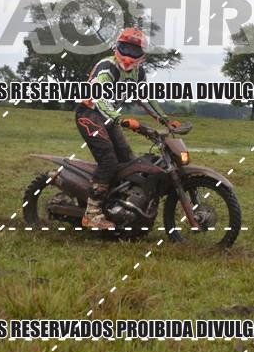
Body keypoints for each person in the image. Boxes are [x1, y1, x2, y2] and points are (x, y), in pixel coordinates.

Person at [74, 27, 179, 229]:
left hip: (110, 117)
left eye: (134, 50)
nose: (129, 55)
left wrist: (165, 120)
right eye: (125, 48)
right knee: (108, 160)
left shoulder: (139, 72)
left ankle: (117, 205)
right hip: (90, 114)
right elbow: (100, 98)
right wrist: (120, 119)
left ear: (142, 54)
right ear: (117, 47)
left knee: (127, 161)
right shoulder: (107, 67)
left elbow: (145, 97)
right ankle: (92, 213)